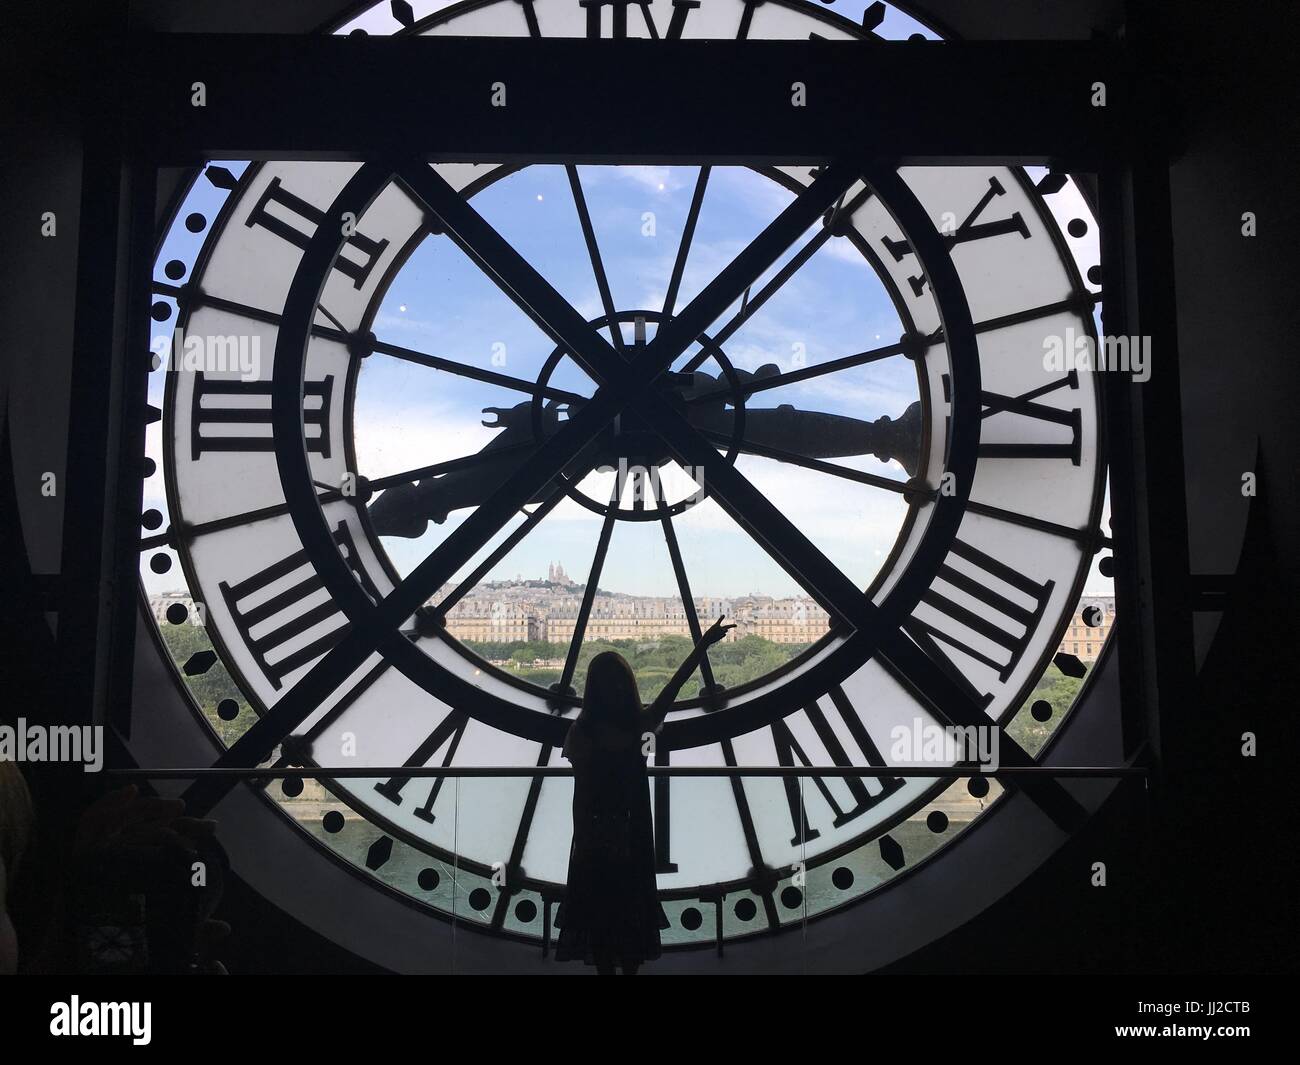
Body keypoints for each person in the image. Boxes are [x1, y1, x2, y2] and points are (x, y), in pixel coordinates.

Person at [556, 615, 735, 975]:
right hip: (633, 830)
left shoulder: (583, 732)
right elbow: (670, 692)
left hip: (595, 835)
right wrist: (701, 648)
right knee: (630, 919)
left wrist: (583, 839)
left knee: (601, 924)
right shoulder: (639, 726)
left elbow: (582, 792)